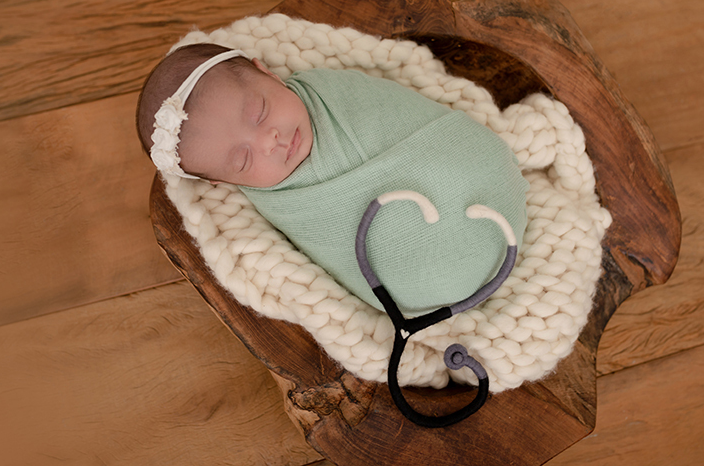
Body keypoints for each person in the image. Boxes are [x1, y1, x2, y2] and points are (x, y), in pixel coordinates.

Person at [137, 42, 530, 314]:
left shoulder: (332, 90)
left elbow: (396, 111)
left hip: (480, 176)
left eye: (259, 111)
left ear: (266, 71)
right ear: (221, 183)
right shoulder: (278, 199)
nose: (269, 141)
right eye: (242, 160)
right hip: (419, 288)